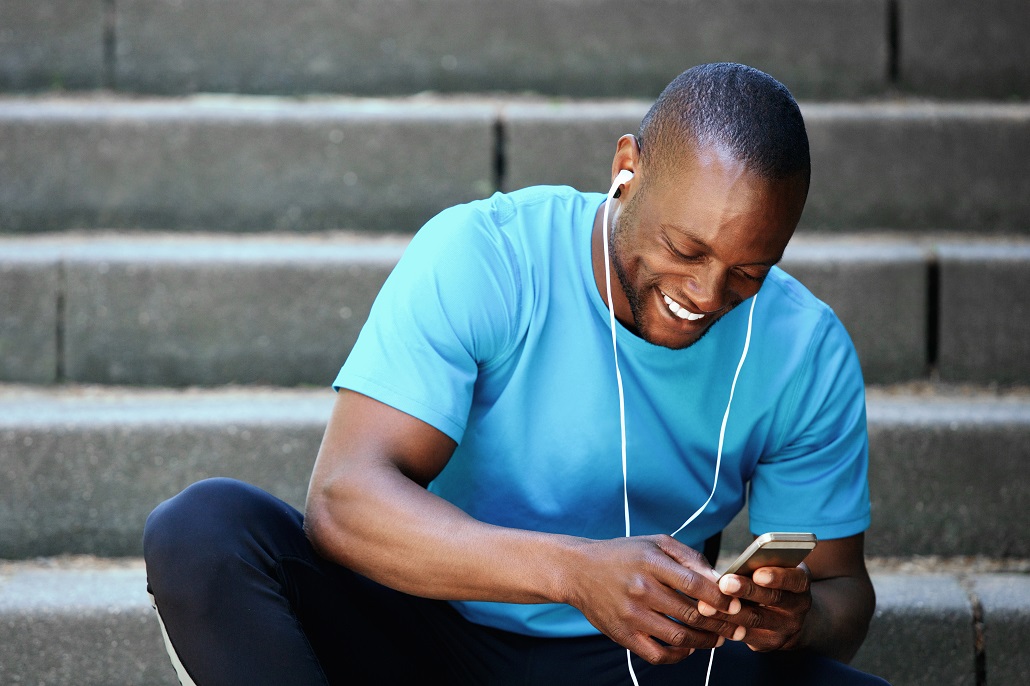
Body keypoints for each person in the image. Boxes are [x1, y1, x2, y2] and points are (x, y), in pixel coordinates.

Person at [144, 63, 889, 685]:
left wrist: (796, 621)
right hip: (429, 639)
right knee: (205, 532)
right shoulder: (488, 257)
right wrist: (572, 573)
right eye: (685, 249)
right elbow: (344, 501)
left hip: (645, 664)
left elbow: (842, 593)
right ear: (626, 169)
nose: (704, 294)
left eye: (749, 272)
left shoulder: (806, 350)